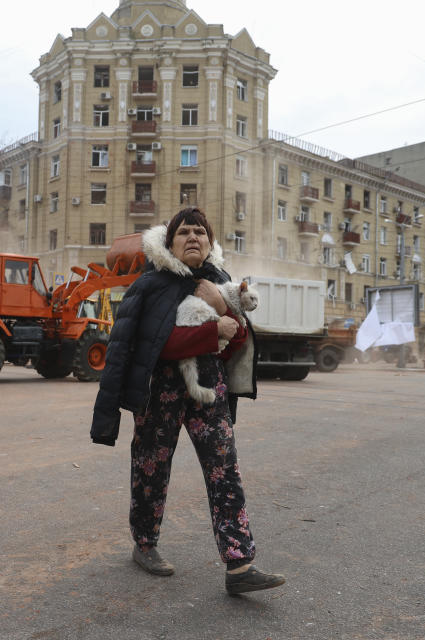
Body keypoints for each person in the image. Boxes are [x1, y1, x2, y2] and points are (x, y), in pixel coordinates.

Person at [91, 208, 285, 596]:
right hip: (158, 390)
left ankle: (239, 563)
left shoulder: (221, 282)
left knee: (224, 471)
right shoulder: (149, 285)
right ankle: (144, 544)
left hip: (208, 391)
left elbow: (240, 341)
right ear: (170, 242)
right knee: (151, 470)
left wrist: (222, 304)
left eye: (200, 232)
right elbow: (149, 345)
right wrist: (214, 328)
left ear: (211, 243)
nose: (193, 237)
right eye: (184, 232)